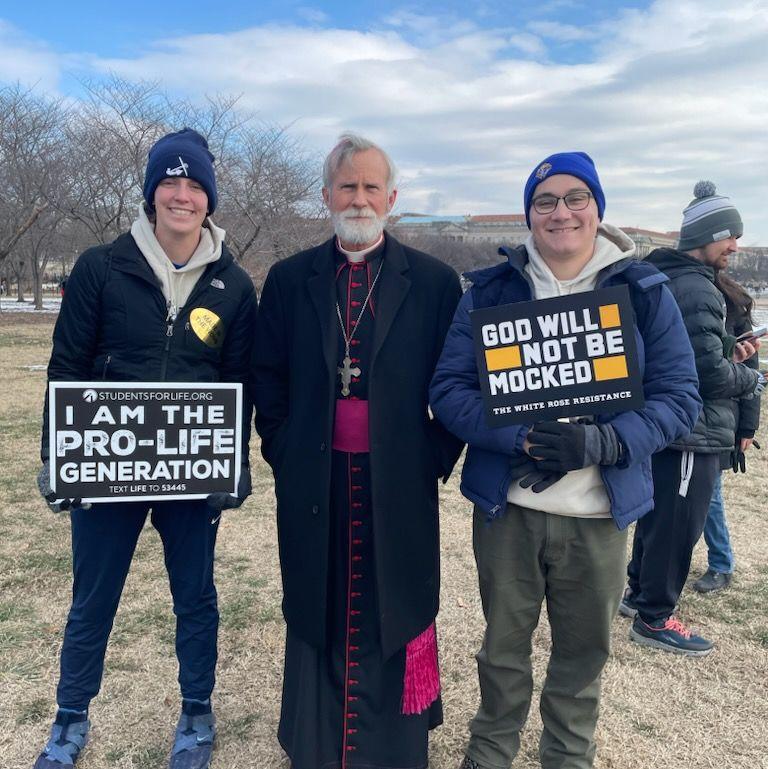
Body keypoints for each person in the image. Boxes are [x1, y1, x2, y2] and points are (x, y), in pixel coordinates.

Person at [430, 152, 701, 769]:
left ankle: (568, 755)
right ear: (529, 213)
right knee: (501, 648)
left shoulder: (643, 290)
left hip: (599, 511)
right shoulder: (491, 291)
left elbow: (680, 397)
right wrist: (519, 437)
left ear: (597, 208)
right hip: (511, 506)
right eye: (546, 200)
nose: (561, 212)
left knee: (583, 653)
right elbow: (448, 389)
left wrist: (604, 443)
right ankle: (491, 750)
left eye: (575, 197)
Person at [34, 128, 258, 769]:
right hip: (107, 465)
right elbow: (66, 368)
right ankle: (69, 717)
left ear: (209, 200)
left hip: (191, 470)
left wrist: (234, 461)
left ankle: (196, 713)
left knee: (196, 595)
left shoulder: (233, 286)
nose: (181, 196)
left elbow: (237, 382)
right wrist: (57, 455)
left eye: (194, 185)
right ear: (151, 191)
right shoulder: (100, 267)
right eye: (170, 182)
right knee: (93, 596)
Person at [252, 133, 463, 769]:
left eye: (372, 187)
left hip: (398, 480)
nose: (360, 198)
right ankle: (316, 739)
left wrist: (428, 455)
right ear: (325, 197)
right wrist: (285, 450)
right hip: (316, 477)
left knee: (395, 595)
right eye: (347, 186)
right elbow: (268, 376)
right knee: (318, 595)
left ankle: (395, 745)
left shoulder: (433, 281)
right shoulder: (291, 280)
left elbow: (459, 382)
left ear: (392, 198)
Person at [620, 182, 764, 653]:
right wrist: (750, 378)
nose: (736, 246)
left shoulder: (679, 280)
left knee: (659, 516)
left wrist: (730, 354)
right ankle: (655, 616)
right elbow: (705, 374)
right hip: (691, 430)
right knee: (678, 522)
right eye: (729, 236)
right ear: (706, 236)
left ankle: (638, 594)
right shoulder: (696, 289)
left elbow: (697, 355)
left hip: (675, 426)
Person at [692, 272, 761, 593]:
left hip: (720, 417)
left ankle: (721, 563)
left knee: (712, 496)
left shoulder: (734, 309)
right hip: (694, 416)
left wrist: (747, 425)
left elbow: (751, 375)